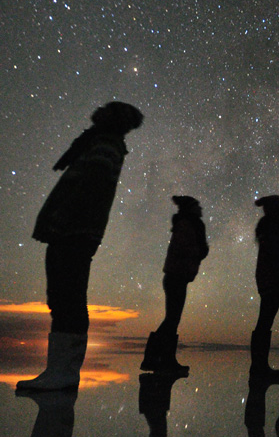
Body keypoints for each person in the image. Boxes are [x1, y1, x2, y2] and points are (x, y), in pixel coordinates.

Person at [17, 101, 144, 392]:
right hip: (72, 230)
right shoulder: (99, 144)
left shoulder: (104, 146)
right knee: (63, 298)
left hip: (74, 231)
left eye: (105, 112)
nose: (97, 113)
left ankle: (63, 373)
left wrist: (62, 222)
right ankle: (59, 371)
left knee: (67, 298)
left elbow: (90, 190)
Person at [141, 196, 209, 375]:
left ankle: (163, 359)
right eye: (197, 206)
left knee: (172, 319)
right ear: (191, 208)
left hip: (177, 276)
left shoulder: (186, 224)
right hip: (176, 276)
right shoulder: (188, 224)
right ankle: (157, 359)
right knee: (172, 319)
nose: (201, 209)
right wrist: (199, 251)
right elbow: (186, 249)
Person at [250, 195, 279, 382]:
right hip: (272, 279)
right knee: (264, 323)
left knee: (264, 323)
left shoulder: (269, 225)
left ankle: (259, 366)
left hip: (270, 278)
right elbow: (277, 254)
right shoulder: (275, 225)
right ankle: (259, 368)